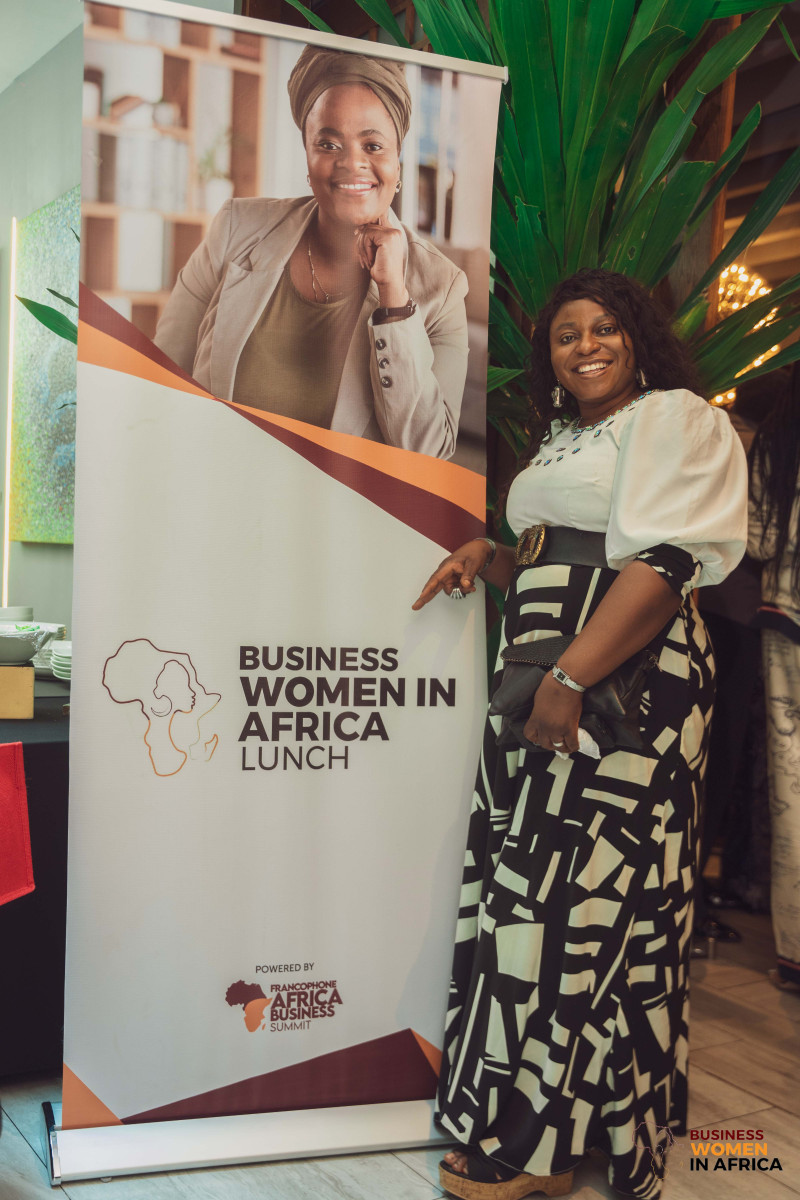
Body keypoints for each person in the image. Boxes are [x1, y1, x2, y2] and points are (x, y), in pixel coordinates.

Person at [412, 269, 747, 1199]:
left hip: (622, 684)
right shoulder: (564, 436)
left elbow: (665, 561)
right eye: (567, 334)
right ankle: (577, 1125)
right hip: (550, 678)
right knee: (539, 897)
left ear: (638, 337)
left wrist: (570, 678)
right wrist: (494, 556)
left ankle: (538, 1144)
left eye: (605, 328)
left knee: (586, 906)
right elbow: (563, 553)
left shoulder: (674, 417)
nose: (587, 346)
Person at [154, 45, 469, 460]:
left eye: (373, 145)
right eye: (329, 143)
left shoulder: (443, 288)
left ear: (398, 162)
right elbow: (158, 377)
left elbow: (428, 453)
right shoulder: (237, 229)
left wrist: (394, 298)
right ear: (307, 153)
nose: (351, 163)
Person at [747, 362, 800, 991]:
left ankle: (795, 956)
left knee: (791, 788)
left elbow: (758, 541)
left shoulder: (777, 434)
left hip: (784, 618)